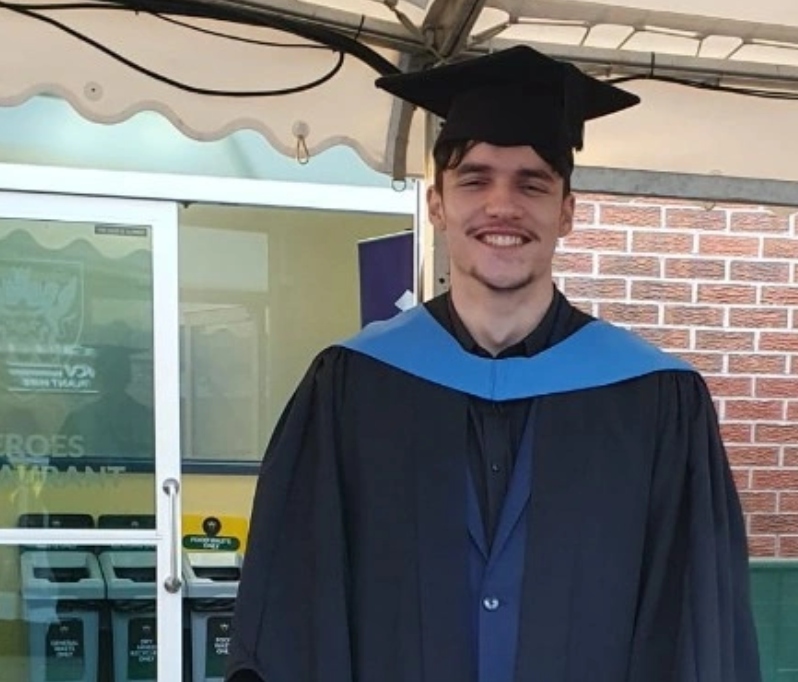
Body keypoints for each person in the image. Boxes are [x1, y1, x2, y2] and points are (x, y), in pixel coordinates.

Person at [226, 45, 762, 682]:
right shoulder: (351, 388)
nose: (502, 206)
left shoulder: (656, 401)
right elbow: (292, 618)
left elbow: (700, 632)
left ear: (567, 211)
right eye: (475, 179)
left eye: (532, 183)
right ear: (437, 204)